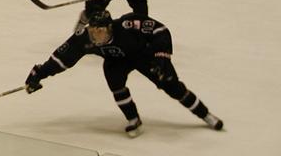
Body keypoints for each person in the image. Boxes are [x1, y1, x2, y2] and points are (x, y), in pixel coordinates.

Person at [24, 10, 224, 137]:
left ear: (110, 28)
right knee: (116, 83)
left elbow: (160, 30)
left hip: (145, 56)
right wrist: (39, 73)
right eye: (93, 31)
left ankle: (205, 114)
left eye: (100, 32)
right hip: (116, 61)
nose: (96, 37)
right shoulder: (84, 38)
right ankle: (133, 119)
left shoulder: (128, 25)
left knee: (172, 86)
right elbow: (62, 58)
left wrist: (161, 55)